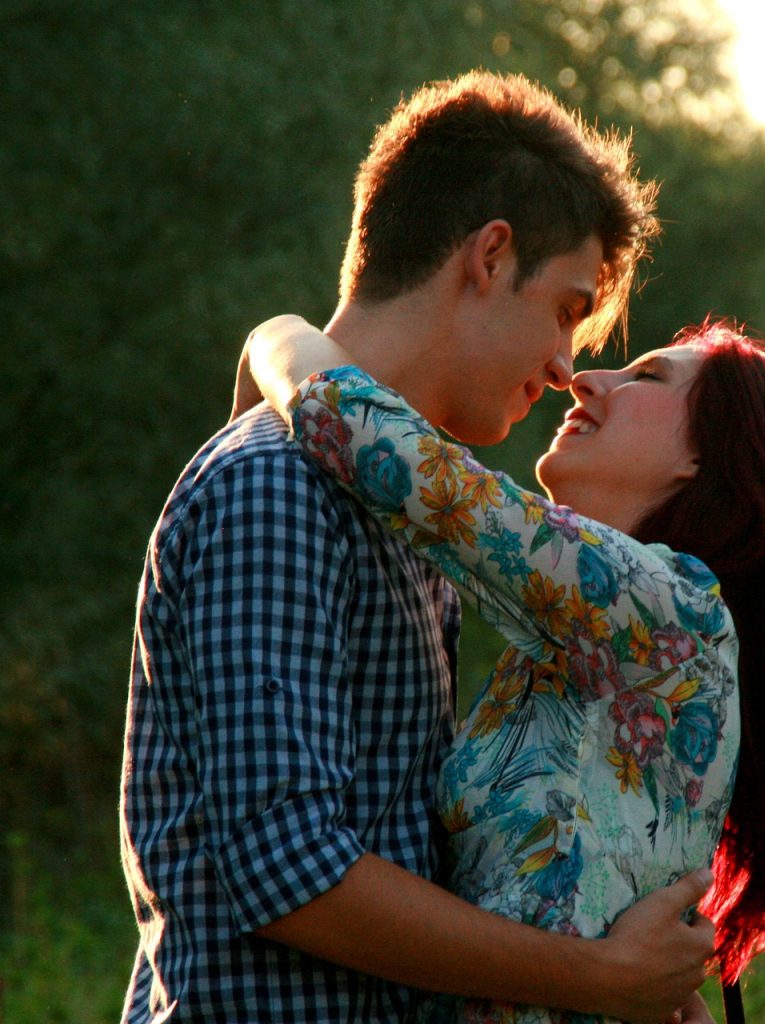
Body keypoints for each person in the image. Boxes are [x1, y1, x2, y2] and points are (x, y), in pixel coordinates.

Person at [119, 70, 720, 1024]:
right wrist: (598, 980)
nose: (569, 369)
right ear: (489, 256)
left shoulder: (404, 524)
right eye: (569, 308)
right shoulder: (276, 487)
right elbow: (291, 869)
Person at [238, 314, 765, 1021]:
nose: (585, 377)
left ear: (711, 460)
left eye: (647, 376)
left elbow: (392, 454)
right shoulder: (603, 638)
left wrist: (272, 337)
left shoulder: (666, 609)